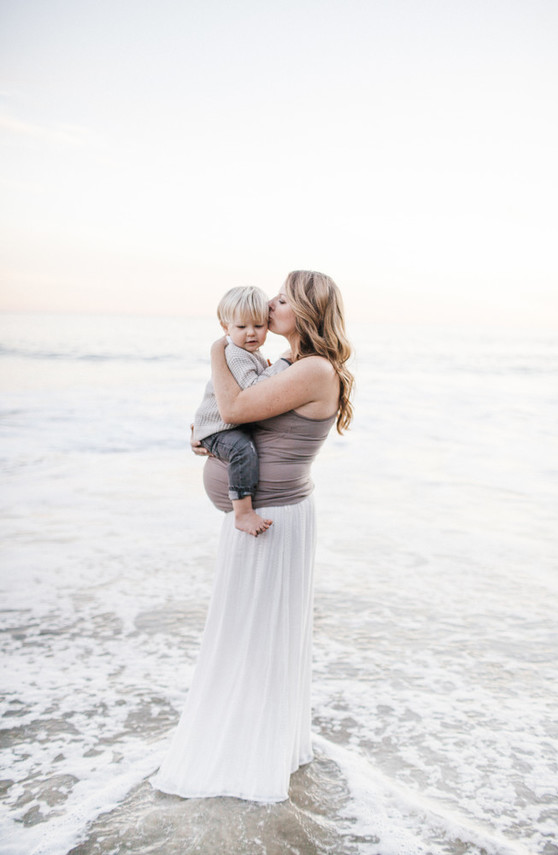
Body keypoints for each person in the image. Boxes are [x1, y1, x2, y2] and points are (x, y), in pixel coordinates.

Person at [153, 271, 354, 803]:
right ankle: (246, 744)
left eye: (282, 298)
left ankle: (246, 759)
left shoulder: (313, 369)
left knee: (255, 637)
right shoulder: (287, 363)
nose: (270, 304)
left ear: (305, 311)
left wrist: (216, 350)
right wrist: (209, 437)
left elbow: (236, 408)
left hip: (271, 519)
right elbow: (242, 421)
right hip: (263, 513)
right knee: (247, 634)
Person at [193, 285, 289, 537]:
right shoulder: (236, 355)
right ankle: (243, 512)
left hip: (222, 425)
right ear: (225, 327)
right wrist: (281, 365)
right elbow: (253, 391)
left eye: (258, 325)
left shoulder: (249, 352)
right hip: (217, 429)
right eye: (241, 326)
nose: (251, 333)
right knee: (241, 449)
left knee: (243, 446)